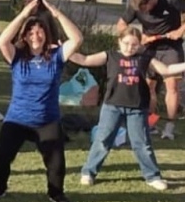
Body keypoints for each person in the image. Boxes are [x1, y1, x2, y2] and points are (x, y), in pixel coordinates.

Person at [0, 0, 82, 202]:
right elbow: (3, 41)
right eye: (30, 32)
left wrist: (57, 14)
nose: (35, 36)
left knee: (56, 164)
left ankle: (56, 193)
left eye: (39, 31)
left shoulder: (56, 56)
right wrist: (23, 14)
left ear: (45, 34)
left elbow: (77, 38)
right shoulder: (17, 56)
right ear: (25, 36)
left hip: (47, 120)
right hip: (17, 119)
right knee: (2, 158)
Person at [73, 28, 185, 190]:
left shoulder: (146, 58)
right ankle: (88, 172)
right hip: (112, 106)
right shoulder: (110, 55)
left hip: (137, 109)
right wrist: (65, 52)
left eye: (134, 45)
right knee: (102, 140)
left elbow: (166, 70)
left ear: (139, 45)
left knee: (142, 143)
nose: (129, 48)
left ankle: (152, 176)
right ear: (119, 41)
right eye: (126, 43)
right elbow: (85, 60)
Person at [116, 0, 185, 140]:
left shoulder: (171, 0)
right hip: (149, 48)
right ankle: (150, 123)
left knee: (172, 86)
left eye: (144, 8)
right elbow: (121, 25)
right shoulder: (136, 5)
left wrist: (181, 30)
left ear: (151, 0)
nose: (143, 12)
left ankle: (170, 127)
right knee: (148, 87)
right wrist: (139, 36)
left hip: (171, 48)